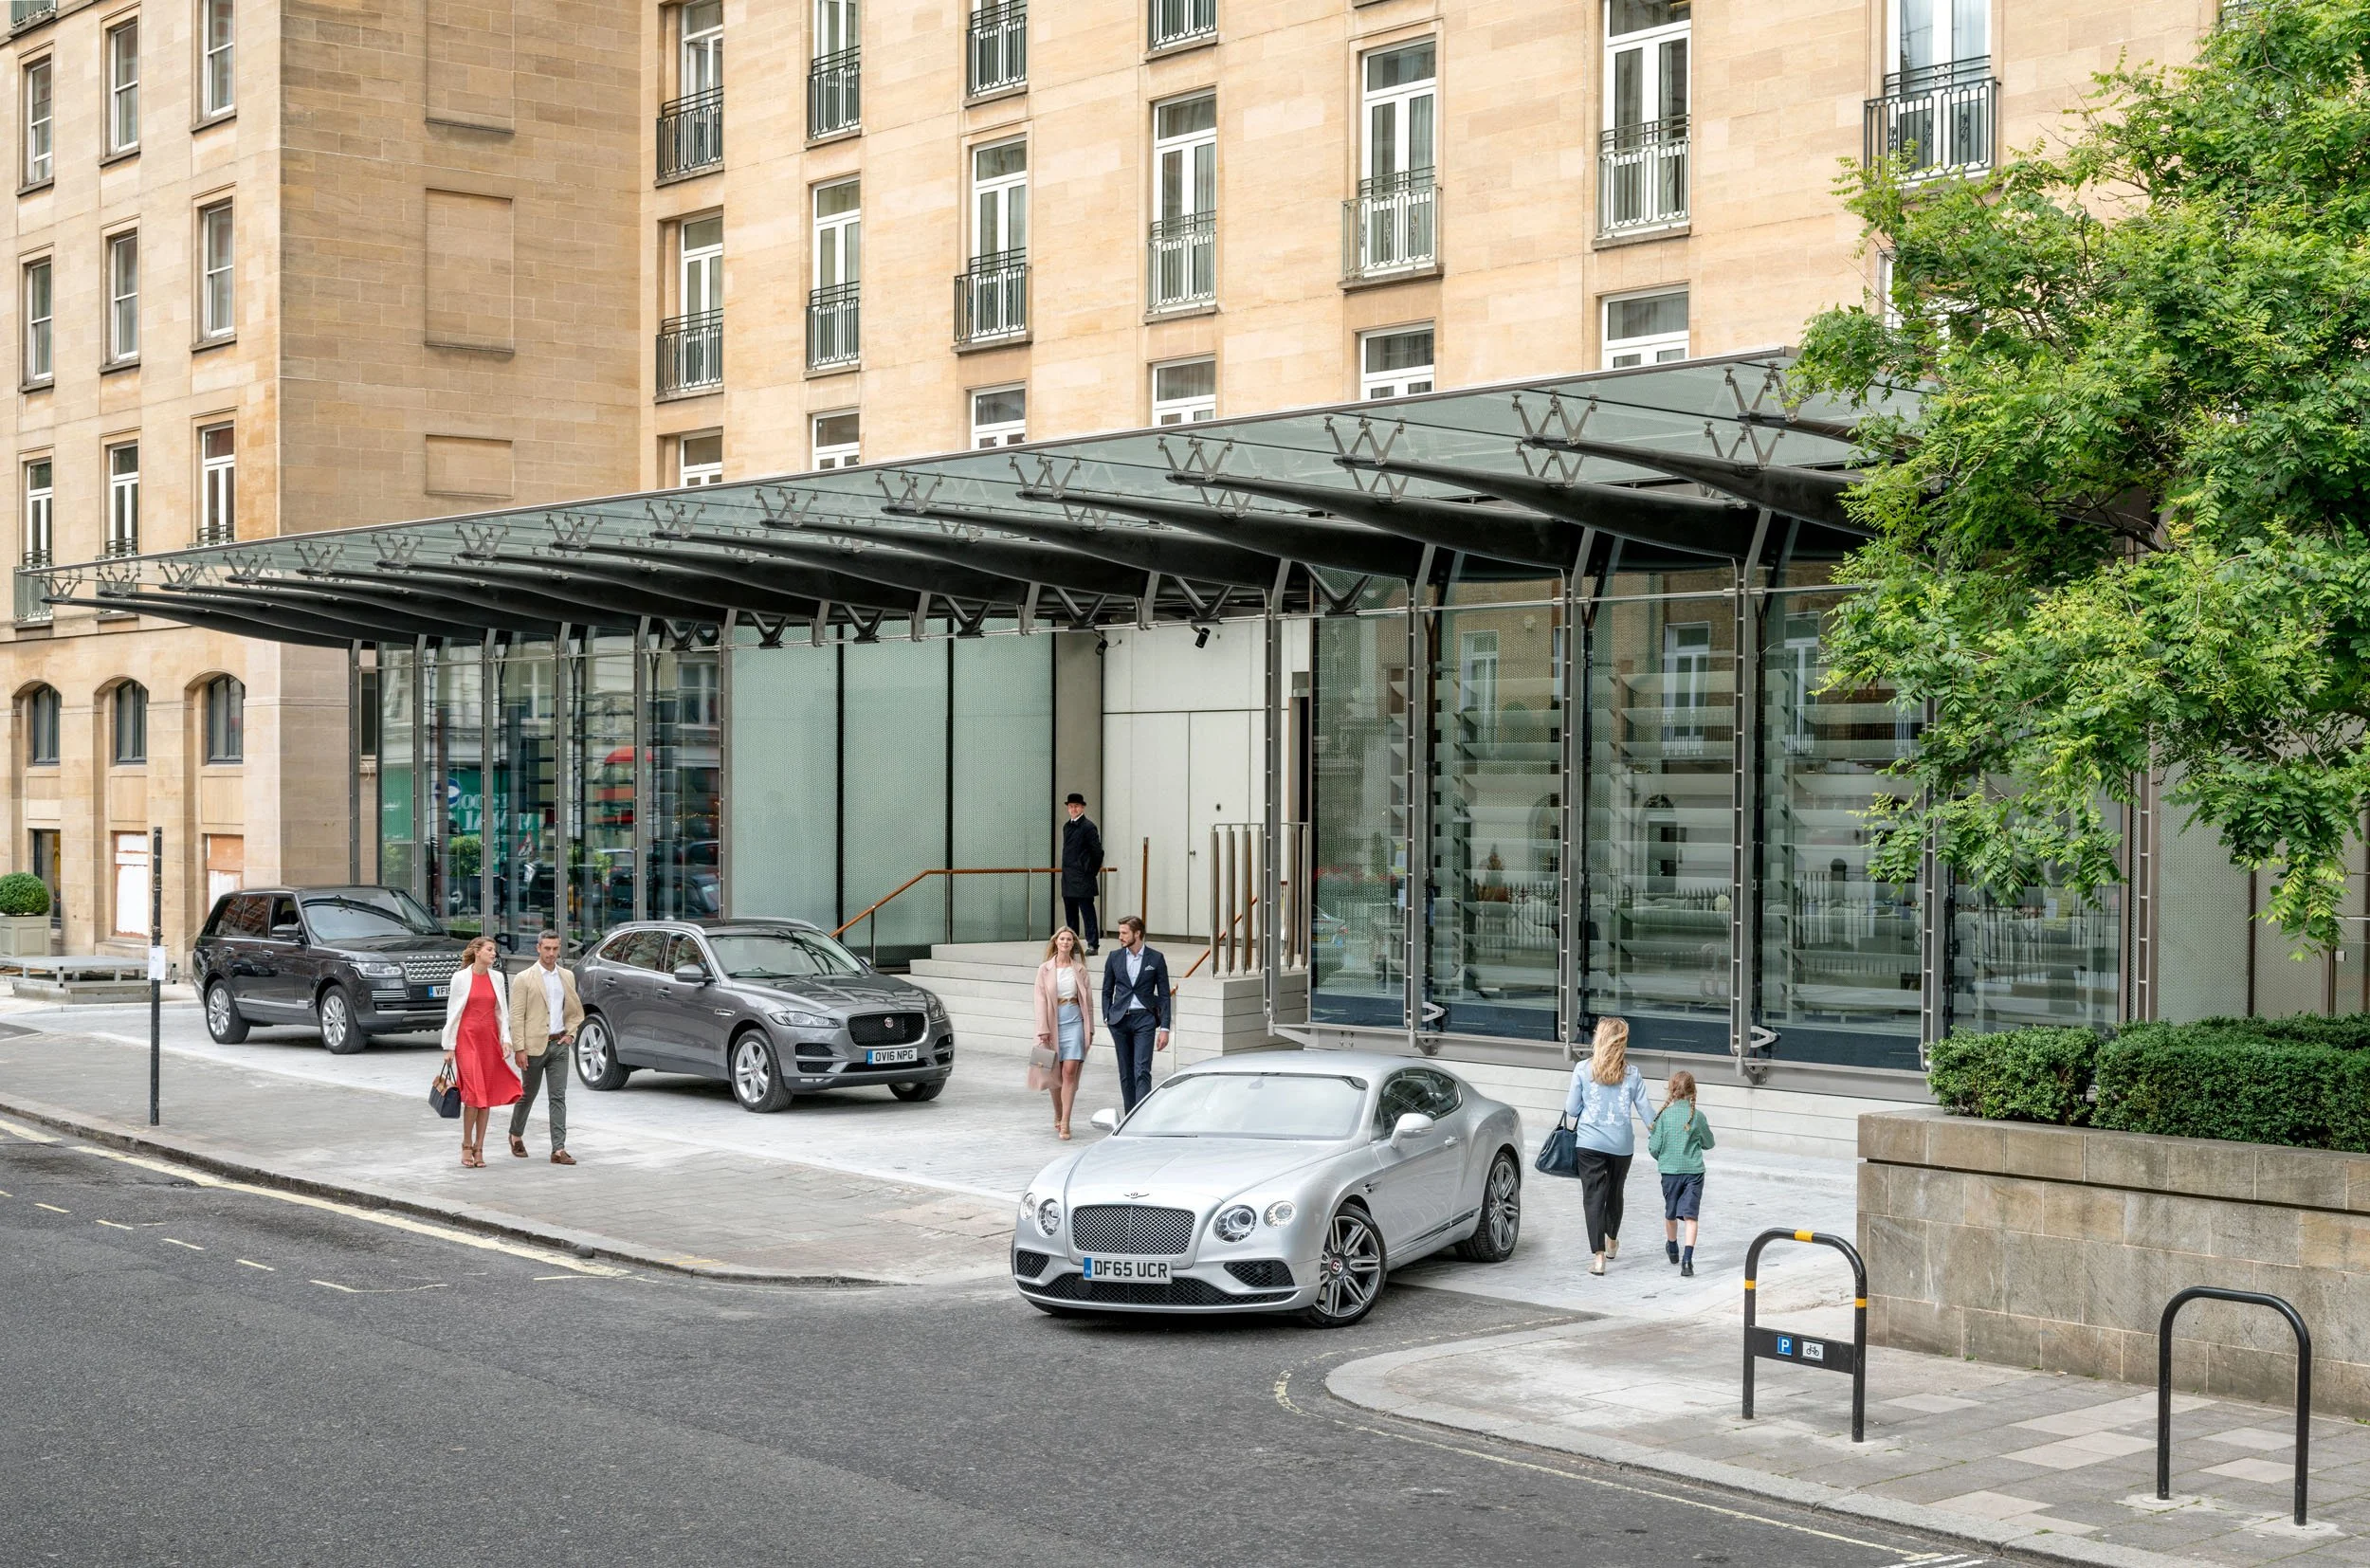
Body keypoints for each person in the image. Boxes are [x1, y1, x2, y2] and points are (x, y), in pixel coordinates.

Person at [1562, 1016, 1651, 1276]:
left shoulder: (1582, 1069)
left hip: (1589, 1142)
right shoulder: (1633, 1073)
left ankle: (1598, 1257)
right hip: (1621, 1145)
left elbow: (1571, 1108)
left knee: (1593, 1197)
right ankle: (1611, 1240)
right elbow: (1646, 1111)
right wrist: (1663, 1133)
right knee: (1614, 1193)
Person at [440, 936, 521, 1169]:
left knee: (484, 1097)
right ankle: (466, 1144)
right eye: (489, 949)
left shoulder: (496, 977)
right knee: (474, 1095)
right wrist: (449, 1047)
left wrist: (506, 1040)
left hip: (489, 1040)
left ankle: (479, 1147)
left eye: (494, 950)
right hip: (467, 1039)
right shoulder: (460, 978)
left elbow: (501, 1012)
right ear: (477, 951)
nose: (493, 953)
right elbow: (452, 1012)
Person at [507, 928, 586, 1165]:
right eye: (547, 948)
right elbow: (517, 1015)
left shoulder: (567, 976)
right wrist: (519, 1048)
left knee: (558, 1096)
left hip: (559, 1045)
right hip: (532, 1047)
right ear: (538, 948)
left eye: (555, 948)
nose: (551, 953)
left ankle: (558, 1149)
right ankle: (515, 1134)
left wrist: (571, 1034)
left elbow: (574, 1009)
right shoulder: (524, 978)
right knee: (527, 1094)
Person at [1100, 915, 1171, 1114]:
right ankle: (1129, 1116)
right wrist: (1107, 1015)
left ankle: (1142, 1116)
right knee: (1126, 1071)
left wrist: (1165, 1027)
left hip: (1145, 1019)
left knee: (1142, 1070)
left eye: (1124, 933)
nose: (1120, 937)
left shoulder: (1156, 958)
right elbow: (1107, 990)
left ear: (1137, 933)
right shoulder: (1114, 957)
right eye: (1120, 933)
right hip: (1120, 1020)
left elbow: (1164, 995)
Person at [1648, 1068, 1715, 1276]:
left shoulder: (1665, 1117)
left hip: (1670, 1172)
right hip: (1694, 1171)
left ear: (1672, 1090)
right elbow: (1709, 1143)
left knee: (1671, 1213)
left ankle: (1673, 1246)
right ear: (1693, 1091)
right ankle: (1687, 1261)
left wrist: (1665, 1159)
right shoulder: (1698, 1116)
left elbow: (1654, 1148)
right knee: (1691, 1216)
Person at [1033, 927, 1095, 1140]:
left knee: (1070, 1071)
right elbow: (1040, 1000)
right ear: (1056, 942)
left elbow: (1088, 1002)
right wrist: (1043, 1029)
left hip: (1074, 1019)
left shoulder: (1080, 970)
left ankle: (1067, 1121)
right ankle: (1058, 1113)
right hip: (1052, 1019)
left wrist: (1091, 1029)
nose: (1066, 942)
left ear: (1073, 944)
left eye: (1069, 939)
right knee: (1054, 1073)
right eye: (1062, 939)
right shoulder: (1045, 969)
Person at [1061, 793, 1103, 955]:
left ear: (1082, 807)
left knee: (1087, 911)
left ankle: (1093, 944)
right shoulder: (1067, 826)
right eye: (1070, 806)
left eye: (1076, 806)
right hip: (1069, 877)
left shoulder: (1088, 826)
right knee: (1070, 913)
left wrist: (1089, 871)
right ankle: (1073, 944)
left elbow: (1097, 852)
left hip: (1083, 877)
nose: (1073, 809)